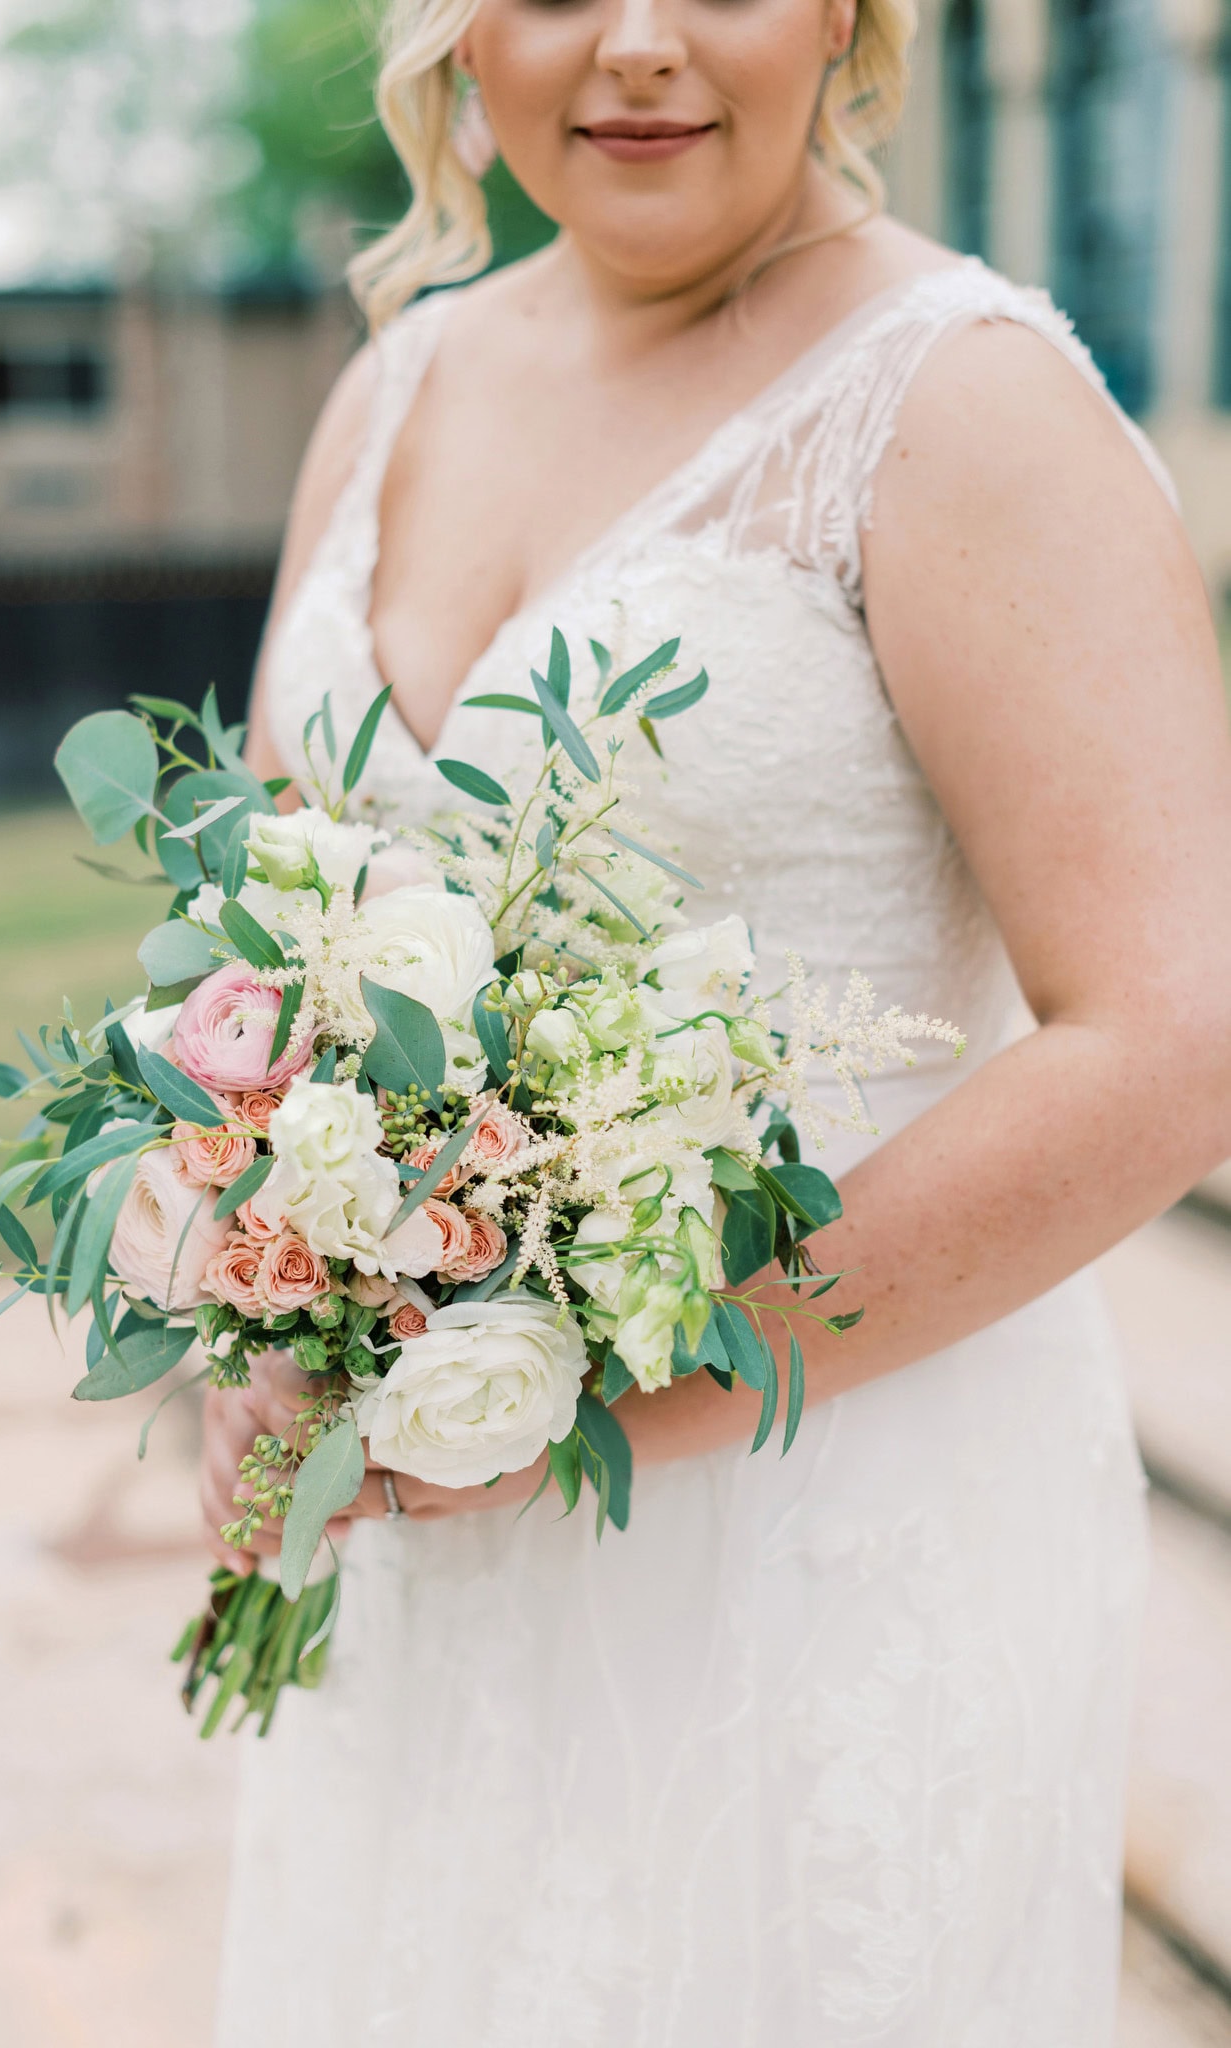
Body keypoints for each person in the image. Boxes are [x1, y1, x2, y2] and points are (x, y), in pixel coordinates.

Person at [208, 0, 1231, 2039]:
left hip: (817, 1519)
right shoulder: (390, 389)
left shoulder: (961, 404)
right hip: (429, 1549)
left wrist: (592, 1403)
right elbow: (266, 946)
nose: (638, 44)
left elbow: (1173, 1033)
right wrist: (264, 1301)